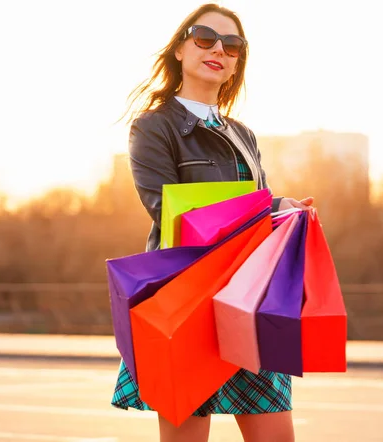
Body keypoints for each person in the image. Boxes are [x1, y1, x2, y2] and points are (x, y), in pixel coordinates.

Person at [111, 3, 313, 442]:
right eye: (205, 38)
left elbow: (253, 207)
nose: (219, 49)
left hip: (248, 301)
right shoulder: (153, 127)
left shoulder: (244, 133)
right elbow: (170, 212)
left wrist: (282, 207)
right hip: (187, 302)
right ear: (181, 48)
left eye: (233, 45)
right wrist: (263, 211)